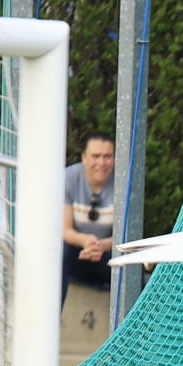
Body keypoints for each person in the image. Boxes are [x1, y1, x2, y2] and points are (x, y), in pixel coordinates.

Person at [62, 130, 116, 305]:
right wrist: (86, 241)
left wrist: (101, 246)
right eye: (96, 156)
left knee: (133, 266)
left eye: (107, 156)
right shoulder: (69, 178)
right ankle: (52, 321)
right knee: (60, 251)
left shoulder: (124, 181)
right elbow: (64, 230)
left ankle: (135, 328)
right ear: (84, 157)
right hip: (79, 254)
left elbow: (128, 235)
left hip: (107, 255)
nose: (101, 163)